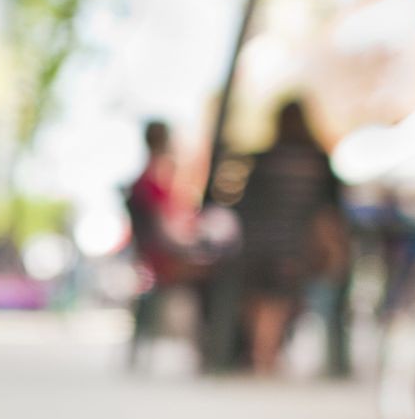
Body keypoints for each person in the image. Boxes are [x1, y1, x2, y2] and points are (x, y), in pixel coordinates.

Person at [229, 99, 347, 375]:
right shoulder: (318, 160)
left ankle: (262, 353)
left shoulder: (264, 159)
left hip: (257, 243)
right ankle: (266, 355)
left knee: (259, 299)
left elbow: (244, 204)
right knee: (279, 300)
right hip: (295, 244)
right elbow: (333, 207)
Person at [124, 120, 200, 369]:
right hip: (164, 257)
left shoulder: (145, 176)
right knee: (215, 273)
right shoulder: (156, 178)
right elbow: (166, 229)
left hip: (151, 254)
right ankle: (215, 351)